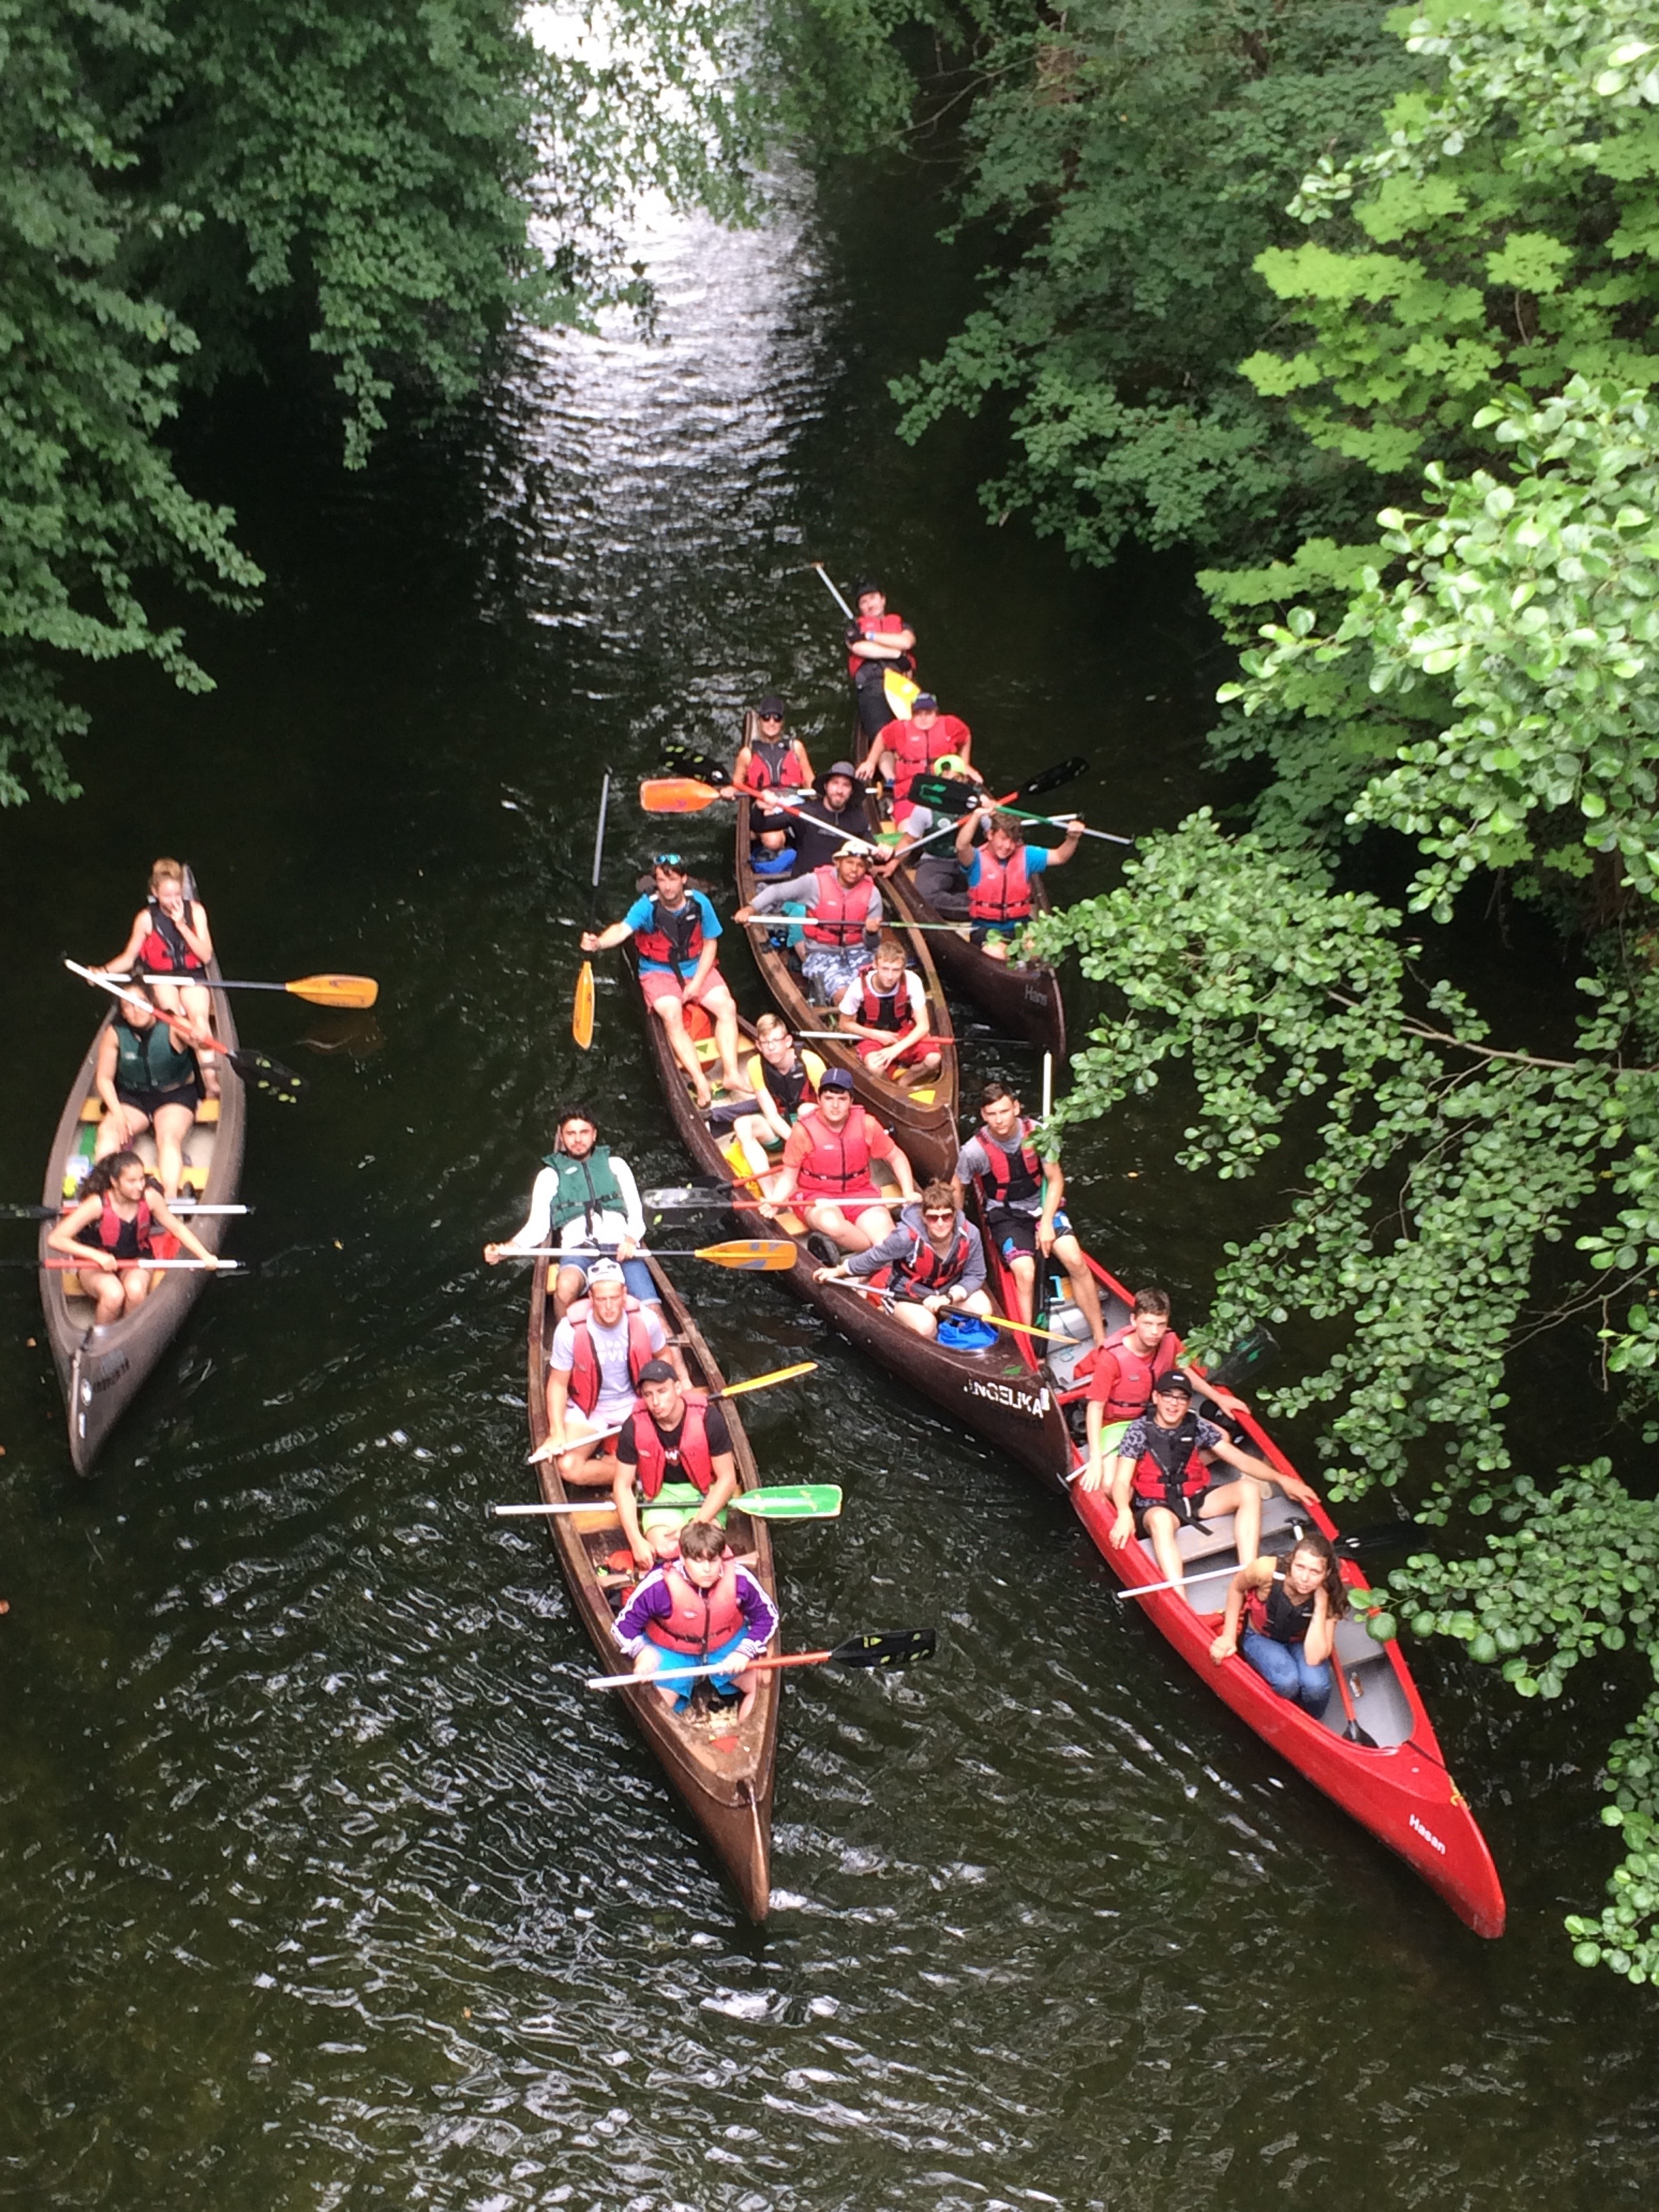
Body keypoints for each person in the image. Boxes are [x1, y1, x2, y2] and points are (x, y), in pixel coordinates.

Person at [1086, 1370, 1320, 1607]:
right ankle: (1179, 1599)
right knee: (1161, 1521)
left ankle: (1248, 1576)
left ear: (1189, 1403)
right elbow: (1122, 1481)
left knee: (1248, 1489)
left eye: (1181, 1398)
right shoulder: (1138, 1431)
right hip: (1157, 1506)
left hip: (1195, 1499)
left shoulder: (1195, 1425)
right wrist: (1124, 1513)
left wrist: (1282, 1480)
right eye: (1168, 1396)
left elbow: (1240, 1460)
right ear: (1156, 1398)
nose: (1174, 1404)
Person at [580, 855, 750, 1109]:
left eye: (672, 879)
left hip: (695, 966)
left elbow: (710, 943)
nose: (667, 887)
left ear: (683, 879)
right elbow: (623, 929)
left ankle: (731, 1074)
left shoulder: (700, 903)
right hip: (658, 970)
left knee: (727, 1007)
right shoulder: (646, 906)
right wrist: (599, 943)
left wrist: (696, 984)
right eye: (661, 880)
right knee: (671, 1014)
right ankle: (699, 1080)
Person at [956, 1082, 1105, 1347]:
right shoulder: (973, 1151)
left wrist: (1046, 1224)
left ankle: (1100, 1337)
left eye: (1004, 1111)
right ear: (983, 1115)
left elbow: (1055, 1180)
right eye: (992, 1114)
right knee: (1025, 1273)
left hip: (1043, 1205)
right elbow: (958, 1188)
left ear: (1016, 1108)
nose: (999, 1120)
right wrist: (958, 1230)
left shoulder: (1039, 1134)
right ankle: (1028, 1344)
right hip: (1006, 1215)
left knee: (1074, 1259)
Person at [483, 1106, 656, 1317]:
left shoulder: (616, 1166)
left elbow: (636, 1214)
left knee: (654, 1313)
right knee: (564, 1288)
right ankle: (567, 1335)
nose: (578, 1139)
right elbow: (537, 1228)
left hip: (622, 1249)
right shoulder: (549, 1176)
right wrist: (507, 1249)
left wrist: (631, 1239)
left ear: (594, 1135)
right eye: (571, 1133)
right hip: (579, 1252)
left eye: (584, 1132)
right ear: (562, 1137)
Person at [613, 1515, 779, 1719]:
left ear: (721, 1558)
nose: (707, 1569)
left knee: (761, 1686)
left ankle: (748, 1737)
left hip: (726, 1645)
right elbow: (622, 1627)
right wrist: (641, 1651)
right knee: (657, 1707)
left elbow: (768, 1617)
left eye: (713, 1560)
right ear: (683, 1558)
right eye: (698, 1561)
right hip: (672, 1651)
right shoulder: (658, 1587)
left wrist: (745, 1650)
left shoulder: (740, 1579)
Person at [535, 1257, 678, 1484]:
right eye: (602, 1299)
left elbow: (663, 1356)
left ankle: (632, 1466)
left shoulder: (646, 1319)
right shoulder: (569, 1330)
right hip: (589, 1410)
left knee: (680, 1446)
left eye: (614, 1298)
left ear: (624, 1294)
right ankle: (637, 1471)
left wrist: (660, 1394)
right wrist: (557, 1432)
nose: (609, 1307)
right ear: (591, 1298)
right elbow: (558, 1384)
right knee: (569, 1467)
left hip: (636, 1402)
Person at [91, 859, 221, 1097]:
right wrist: (104, 971)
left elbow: (205, 956)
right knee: (174, 1019)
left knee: (200, 1021)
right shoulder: (145, 919)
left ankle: (211, 1081)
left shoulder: (196, 912)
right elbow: (129, 959)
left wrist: (182, 926)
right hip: (160, 978)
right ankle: (177, 1069)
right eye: (167, 896)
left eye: (177, 894)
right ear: (155, 892)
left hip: (192, 977)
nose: (173, 901)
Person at [47, 1149, 220, 1326]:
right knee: (113, 1294)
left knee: (135, 1291)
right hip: (96, 1263)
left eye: (141, 1179)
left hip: (136, 1257)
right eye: (131, 1181)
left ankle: (127, 1331)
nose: (139, 1186)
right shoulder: (96, 1204)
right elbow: (56, 1239)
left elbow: (177, 1228)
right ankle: (100, 1337)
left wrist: (205, 1255)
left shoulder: (150, 1198)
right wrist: (96, 1256)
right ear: (114, 1182)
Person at [760, 1066, 918, 1252]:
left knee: (886, 1240)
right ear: (819, 1100)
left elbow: (896, 1157)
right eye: (829, 1098)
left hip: (860, 1192)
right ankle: (870, 1255)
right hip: (816, 1196)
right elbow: (788, 1177)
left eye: (842, 1099)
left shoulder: (867, 1124)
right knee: (831, 1223)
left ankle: (875, 1255)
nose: (835, 1105)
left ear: (851, 1101)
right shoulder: (803, 1131)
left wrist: (908, 1192)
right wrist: (776, 1200)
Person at [815, 1181, 992, 1339]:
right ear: (924, 1218)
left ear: (954, 1216)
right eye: (933, 1218)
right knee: (926, 1328)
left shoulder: (971, 1234)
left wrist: (949, 1298)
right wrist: (838, 1271)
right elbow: (874, 1258)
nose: (940, 1224)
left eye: (946, 1217)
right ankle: (895, 1316)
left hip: (947, 1292)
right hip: (907, 1296)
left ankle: (955, 1335)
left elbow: (976, 1275)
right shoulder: (905, 1237)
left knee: (983, 1310)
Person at [611, 1359, 742, 1571]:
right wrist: (636, 1541)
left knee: (703, 1549)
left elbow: (727, 1479)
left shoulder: (710, 1420)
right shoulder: (633, 1427)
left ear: (678, 1388)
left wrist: (696, 1524)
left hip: (705, 1493)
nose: (655, 1402)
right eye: (648, 1395)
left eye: (662, 1391)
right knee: (665, 1550)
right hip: (661, 1496)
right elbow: (622, 1486)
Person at [1210, 1528, 1347, 1715]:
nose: (1304, 1579)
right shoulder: (1265, 1570)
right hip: (1260, 1636)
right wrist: (1229, 1636)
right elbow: (1237, 1588)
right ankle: (1282, 1703)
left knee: (1316, 1688)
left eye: (1315, 1572)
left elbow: (1314, 1657)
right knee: (1287, 1682)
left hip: (1299, 1642)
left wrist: (1321, 1604)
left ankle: (1310, 1719)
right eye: (1300, 1567)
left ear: (1327, 1573)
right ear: (1291, 1562)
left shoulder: (1331, 1592)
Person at [91, 982, 203, 1197]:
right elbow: (104, 1079)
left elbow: (201, 1043)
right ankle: (104, 1194)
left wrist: (198, 1036)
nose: (136, 1010)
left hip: (174, 1095)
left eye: (141, 1002)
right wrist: (118, 1114)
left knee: (168, 1138)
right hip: (134, 1097)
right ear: (123, 1012)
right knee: (109, 1131)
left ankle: (169, 1198)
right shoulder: (115, 1033)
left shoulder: (172, 1024)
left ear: (152, 1003)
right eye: (128, 1006)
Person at [733, 843, 884, 1001]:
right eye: (850, 863)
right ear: (838, 863)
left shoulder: (872, 893)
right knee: (845, 996)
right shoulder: (814, 883)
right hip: (821, 952)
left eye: (860, 865)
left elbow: (873, 944)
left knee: (875, 990)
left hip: (859, 951)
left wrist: (871, 932)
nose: (854, 869)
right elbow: (777, 892)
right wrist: (751, 909)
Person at [710, 1012, 826, 1191]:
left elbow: (827, 1109)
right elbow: (771, 1115)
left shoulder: (811, 1062)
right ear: (759, 1046)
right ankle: (769, 1194)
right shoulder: (755, 1065)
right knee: (742, 1125)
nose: (771, 1048)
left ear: (788, 1041)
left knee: (805, 1109)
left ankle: (818, 1171)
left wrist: (805, 1141)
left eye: (776, 1041)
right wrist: (793, 1141)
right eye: (765, 1043)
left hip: (810, 1130)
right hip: (780, 1128)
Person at [954, 805, 1084, 963]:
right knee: (997, 954)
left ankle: (1026, 969)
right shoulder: (975, 859)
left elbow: (1059, 856)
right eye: (1003, 839)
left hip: (1020, 924)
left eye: (1013, 841)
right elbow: (961, 846)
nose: (1008, 846)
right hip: (986, 927)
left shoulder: (1026, 855)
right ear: (990, 835)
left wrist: (1072, 838)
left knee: (1037, 949)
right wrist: (976, 816)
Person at [857, 695, 980, 833]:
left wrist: (965, 764)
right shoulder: (900, 728)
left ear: (936, 713)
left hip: (944, 791)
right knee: (908, 831)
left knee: (956, 827)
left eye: (928, 713)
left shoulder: (950, 725)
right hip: (909, 794)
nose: (923, 718)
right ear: (912, 714)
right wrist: (870, 762)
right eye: (918, 714)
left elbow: (966, 736)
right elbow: (882, 737)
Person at [834, 934, 941, 1091]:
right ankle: (888, 1088)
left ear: (903, 969)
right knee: (874, 1067)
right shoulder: (858, 987)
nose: (890, 977)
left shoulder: (912, 980)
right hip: (872, 1035)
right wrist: (875, 1035)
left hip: (903, 1033)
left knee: (934, 1059)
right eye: (885, 969)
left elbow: (923, 1026)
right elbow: (844, 1024)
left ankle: (903, 1083)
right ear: (875, 965)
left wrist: (894, 1050)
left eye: (896, 970)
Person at [845, 580, 918, 741]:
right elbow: (860, 648)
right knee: (883, 735)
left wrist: (870, 636)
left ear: (883, 600)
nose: (870, 605)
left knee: (914, 731)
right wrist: (897, 654)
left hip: (903, 684)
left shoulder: (902, 625)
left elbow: (906, 642)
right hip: (873, 684)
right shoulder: (854, 630)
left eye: (873, 598)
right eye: (864, 602)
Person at [787, 763, 888, 875]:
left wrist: (882, 853)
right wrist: (770, 805)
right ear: (826, 786)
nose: (840, 791)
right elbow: (771, 823)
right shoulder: (804, 811)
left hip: (841, 883)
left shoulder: (858, 818)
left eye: (846, 785)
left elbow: (872, 850)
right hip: (806, 882)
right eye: (835, 783)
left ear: (852, 791)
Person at [733, 697, 813, 800]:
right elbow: (736, 786)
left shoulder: (796, 747)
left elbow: (810, 783)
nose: (772, 723)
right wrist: (730, 790)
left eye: (777, 718)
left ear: (782, 722)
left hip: (794, 802)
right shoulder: (747, 754)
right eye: (766, 718)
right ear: (760, 721)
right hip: (762, 803)